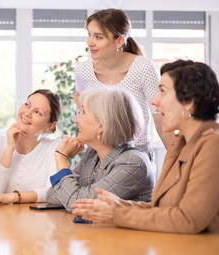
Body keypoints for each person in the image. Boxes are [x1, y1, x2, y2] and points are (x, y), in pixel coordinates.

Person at [72, 60, 219, 235]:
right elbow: (162, 208)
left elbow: (188, 219)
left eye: (163, 91)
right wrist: (120, 205)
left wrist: (117, 213)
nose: (154, 101)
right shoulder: (181, 143)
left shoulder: (215, 145)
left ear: (188, 101)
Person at [74, 8, 174, 159]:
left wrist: (178, 161)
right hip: (99, 154)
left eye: (98, 37)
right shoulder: (84, 71)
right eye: (89, 35)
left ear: (119, 40)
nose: (90, 42)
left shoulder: (142, 68)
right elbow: (80, 98)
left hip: (135, 155)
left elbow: (159, 117)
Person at [47, 88, 155, 209]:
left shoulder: (133, 162)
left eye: (83, 112)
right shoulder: (92, 154)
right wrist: (75, 193)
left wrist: (61, 158)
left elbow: (76, 204)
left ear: (102, 124)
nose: (76, 120)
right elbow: (51, 195)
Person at [0, 89, 62, 205]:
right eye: (27, 105)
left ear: (50, 125)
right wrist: (10, 148)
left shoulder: (55, 148)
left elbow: (52, 191)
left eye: (37, 112)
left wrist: (13, 197)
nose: (27, 113)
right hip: (1, 220)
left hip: (38, 220)